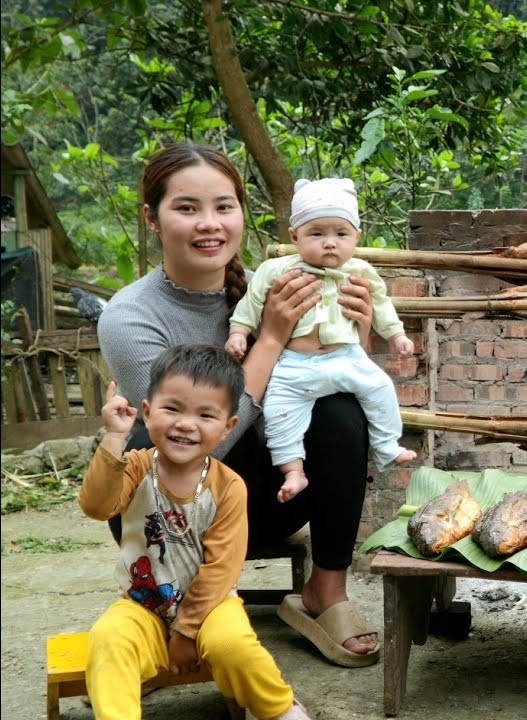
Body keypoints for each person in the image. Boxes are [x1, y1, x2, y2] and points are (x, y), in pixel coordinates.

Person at [97, 143, 381, 668]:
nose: (209, 223)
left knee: (339, 409)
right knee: (142, 438)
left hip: (268, 503)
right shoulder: (130, 316)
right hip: (173, 518)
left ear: (241, 214)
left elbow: (330, 392)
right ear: (152, 218)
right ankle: (169, 600)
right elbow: (182, 448)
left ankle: (326, 592)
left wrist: (357, 337)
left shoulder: (273, 289)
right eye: (187, 208)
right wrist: (269, 339)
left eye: (223, 206)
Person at [80, 344, 309, 719]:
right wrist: (114, 439)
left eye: (205, 414)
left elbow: (222, 567)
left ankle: (281, 709)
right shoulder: (135, 467)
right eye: (172, 409)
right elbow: (97, 506)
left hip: (213, 607)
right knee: (107, 640)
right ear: (148, 411)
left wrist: (187, 631)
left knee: (233, 645)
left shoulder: (228, 487)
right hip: (143, 606)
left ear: (227, 428)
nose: (186, 424)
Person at [226, 177, 416, 503]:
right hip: (294, 365)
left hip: (346, 358)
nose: (330, 243)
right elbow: (251, 303)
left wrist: (397, 335)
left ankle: (386, 445)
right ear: (295, 236)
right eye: (317, 234)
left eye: (341, 234)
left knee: (380, 388)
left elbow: (382, 306)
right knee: (278, 412)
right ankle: (293, 471)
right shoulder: (276, 270)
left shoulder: (362, 272)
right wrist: (238, 332)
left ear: (356, 237)